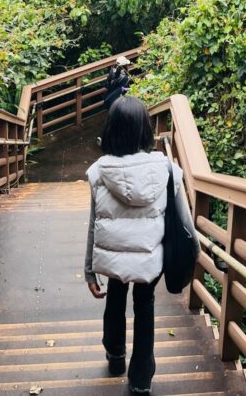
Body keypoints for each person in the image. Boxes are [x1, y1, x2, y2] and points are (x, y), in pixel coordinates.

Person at [84, 96, 199, 395]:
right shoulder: (168, 171)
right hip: (151, 260)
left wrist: (89, 271)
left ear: (112, 129)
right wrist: (191, 261)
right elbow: (185, 225)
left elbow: (93, 224)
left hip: (113, 259)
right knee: (144, 305)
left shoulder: (99, 172)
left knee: (116, 296)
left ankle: (115, 355)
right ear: (145, 130)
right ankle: (141, 379)